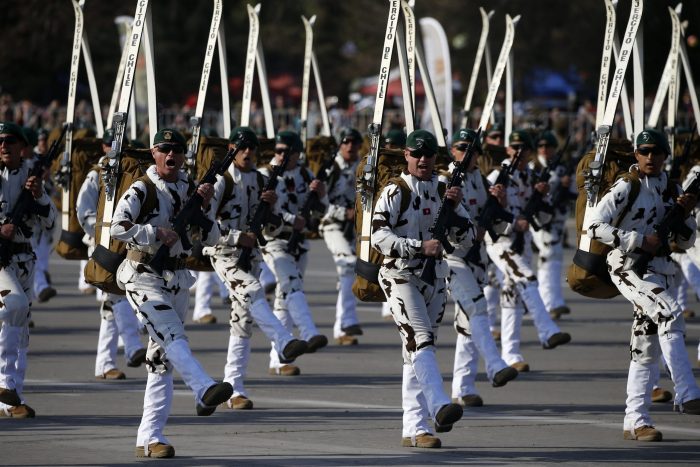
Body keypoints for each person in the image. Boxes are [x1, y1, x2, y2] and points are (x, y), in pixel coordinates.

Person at [111, 129, 233, 458]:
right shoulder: (142, 188)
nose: (172, 155)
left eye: (177, 150)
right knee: (173, 336)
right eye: (165, 149)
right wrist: (154, 232)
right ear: (154, 152)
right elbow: (117, 226)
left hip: (176, 277)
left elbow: (210, 238)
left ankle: (150, 438)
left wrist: (204, 208)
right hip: (142, 275)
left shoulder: (190, 188)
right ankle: (203, 387)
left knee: (161, 360)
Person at [586, 129, 700, 441]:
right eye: (645, 151)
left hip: (660, 270)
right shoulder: (627, 185)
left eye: (657, 152)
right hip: (627, 265)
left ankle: (635, 420)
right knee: (671, 313)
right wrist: (637, 240)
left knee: (645, 345)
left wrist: (685, 214)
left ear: (665, 155)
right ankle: (687, 391)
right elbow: (594, 225)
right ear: (637, 154)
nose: (651, 157)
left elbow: (686, 240)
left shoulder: (671, 187)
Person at [372, 129, 471, 449]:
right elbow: (378, 236)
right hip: (399, 275)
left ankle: (415, 428)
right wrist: (417, 247)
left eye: (429, 154)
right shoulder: (394, 190)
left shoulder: (445, 189)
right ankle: (439, 405)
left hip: (435, 278)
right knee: (421, 340)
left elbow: (467, 240)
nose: (424, 159)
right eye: (417, 154)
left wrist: (455, 211)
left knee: (417, 353)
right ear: (406, 155)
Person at [205, 127, 308, 408]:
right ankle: (284, 340)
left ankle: (235, 389)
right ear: (231, 150)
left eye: (252, 148)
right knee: (252, 290)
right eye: (241, 147)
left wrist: (272, 210)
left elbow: (271, 229)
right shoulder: (221, 182)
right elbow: (203, 226)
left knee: (243, 322)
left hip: (250, 256)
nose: (247, 152)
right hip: (223, 252)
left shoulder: (263, 179)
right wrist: (237, 237)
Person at [485, 130, 571, 372]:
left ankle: (511, 354)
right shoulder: (497, 176)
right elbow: (486, 217)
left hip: (522, 243)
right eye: (515, 147)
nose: (519, 152)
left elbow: (543, 217)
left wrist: (542, 196)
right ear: (508, 150)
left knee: (512, 296)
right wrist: (509, 216)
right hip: (500, 243)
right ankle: (547, 330)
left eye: (524, 148)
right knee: (527, 279)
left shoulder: (532, 177)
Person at [444, 129, 518, 407]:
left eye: (473, 150)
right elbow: (440, 221)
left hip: (476, 257)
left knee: (468, 323)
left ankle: (462, 388)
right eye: (463, 148)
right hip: (450, 256)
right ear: (453, 151)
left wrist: (500, 204)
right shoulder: (446, 180)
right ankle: (495, 365)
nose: (468, 154)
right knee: (477, 307)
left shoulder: (481, 180)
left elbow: (498, 228)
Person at [76, 134, 146, 380]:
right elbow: (82, 208)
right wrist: (102, 234)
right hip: (102, 246)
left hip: (124, 246)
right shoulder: (97, 173)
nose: (111, 150)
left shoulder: (129, 174)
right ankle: (132, 346)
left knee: (111, 304)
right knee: (116, 298)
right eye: (107, 145)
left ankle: (104, 364)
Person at [259, 131, 329, 375]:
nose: (280, 155)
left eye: (286, 152)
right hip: (273, 240)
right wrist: (291, 220)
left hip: (299, 244)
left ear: (297, 154)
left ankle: (279, 359)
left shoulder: (305, 174)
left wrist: (320, 195)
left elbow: (322, 211)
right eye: (277, 151)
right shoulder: (264, 175)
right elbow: (263, 210)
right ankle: (308, 332)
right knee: (291, 285)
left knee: (284, 298)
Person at [0, 122, 57, 418]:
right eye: (0, 141)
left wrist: (40, 196)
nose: (3, 146)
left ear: (23, 146)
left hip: (24, 260)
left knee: (20, 331)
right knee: (13, 306)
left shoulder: (32, 178)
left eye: (10, 140)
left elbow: (51, 224)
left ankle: (11, 399)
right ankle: (4, 385)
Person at [319, 127, 362, 345]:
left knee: (349, 273)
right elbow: (319, 202)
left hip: (355, 227)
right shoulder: (330, 168)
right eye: (346, 142)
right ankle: (346, 322)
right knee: (347, 265)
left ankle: (342, 327)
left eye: (355, 142)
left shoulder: (363, 167)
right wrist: (343, 213)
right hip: (332, 224)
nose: (350, 146)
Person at [530, 131, 576, 319]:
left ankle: (553, 301)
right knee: (549, 255)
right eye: (541, 147)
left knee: (554, 256)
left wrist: (566, 185)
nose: (544, 150)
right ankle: (549, 303)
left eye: (548, 146)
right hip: (541, 219)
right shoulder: (534, 168)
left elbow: (572, 195)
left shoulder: (560, 168)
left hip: (558, 218)